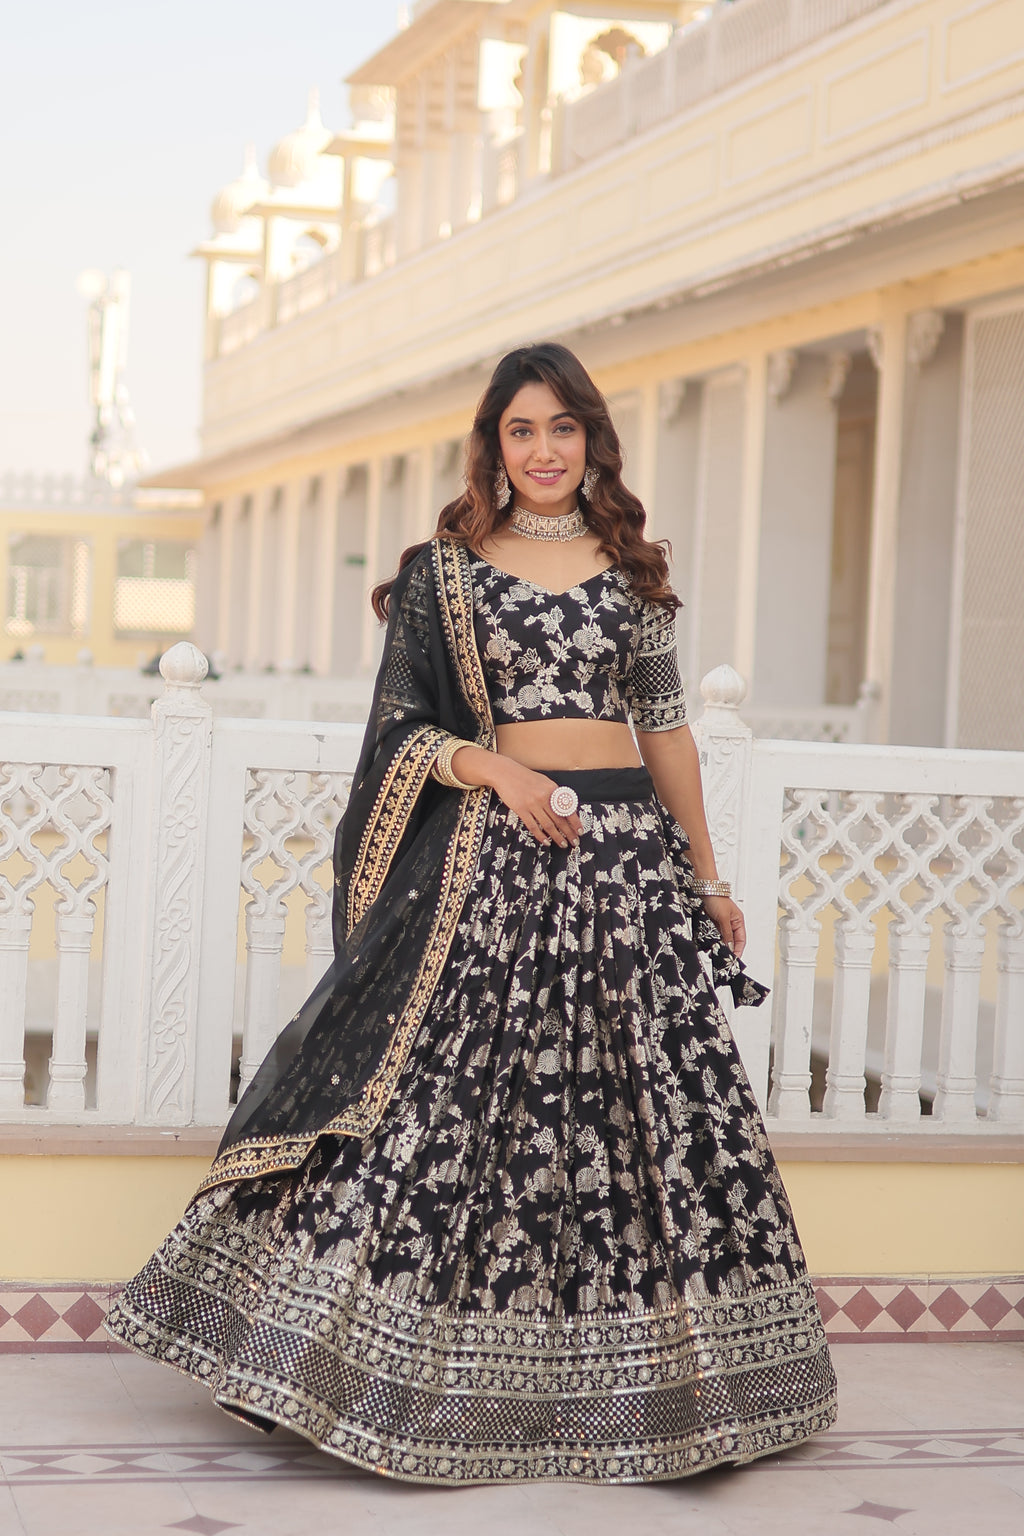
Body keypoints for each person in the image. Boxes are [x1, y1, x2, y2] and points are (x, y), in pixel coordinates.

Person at [107, 342, 837, 1484]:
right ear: (492, 447)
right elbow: (398, 730)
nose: (543, 451)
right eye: (520, 431)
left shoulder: (633, 569)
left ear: (592, 438)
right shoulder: (445, 573)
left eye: (562, 428)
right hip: (493, 861)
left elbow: (666, 728)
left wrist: (706, 879)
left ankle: (655, 1390)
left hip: (625, 865)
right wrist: (498, 776)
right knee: (439, 1107)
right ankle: (313, 1359)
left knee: (637, 1116)